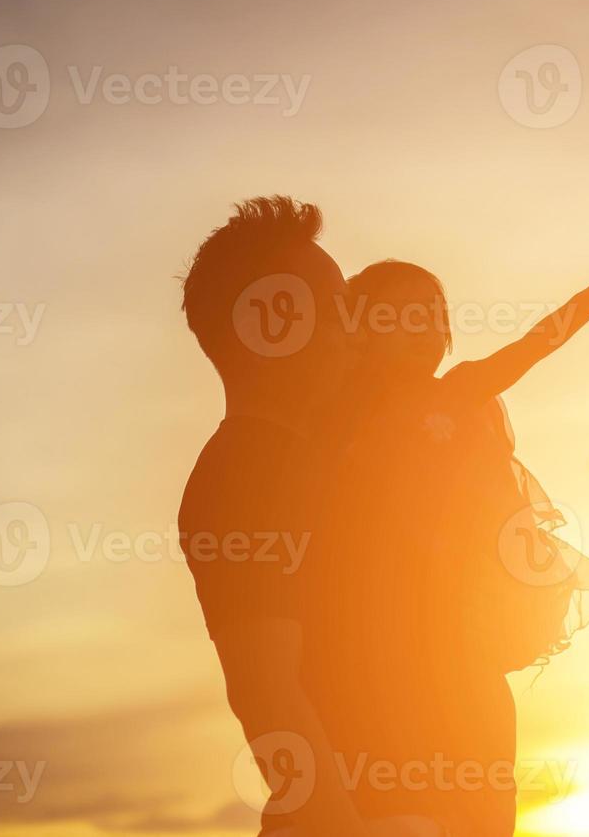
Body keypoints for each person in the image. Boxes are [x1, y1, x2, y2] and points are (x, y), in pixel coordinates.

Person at [326, 260, 589, 833]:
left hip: (473, 623)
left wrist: (585, 306)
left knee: (487, 778)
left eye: (429, 314)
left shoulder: (461, 389)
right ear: (358, 331)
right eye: (394, 316)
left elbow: (526, 351)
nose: (418, 327)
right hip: (397, 633)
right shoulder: (344, 419)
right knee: (417, 786)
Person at [177, 196, 428, 835]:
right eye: (335, 304)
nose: (356, 326)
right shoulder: (247, 467)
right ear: (271, 321)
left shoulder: (309, 461)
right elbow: (267, 694)